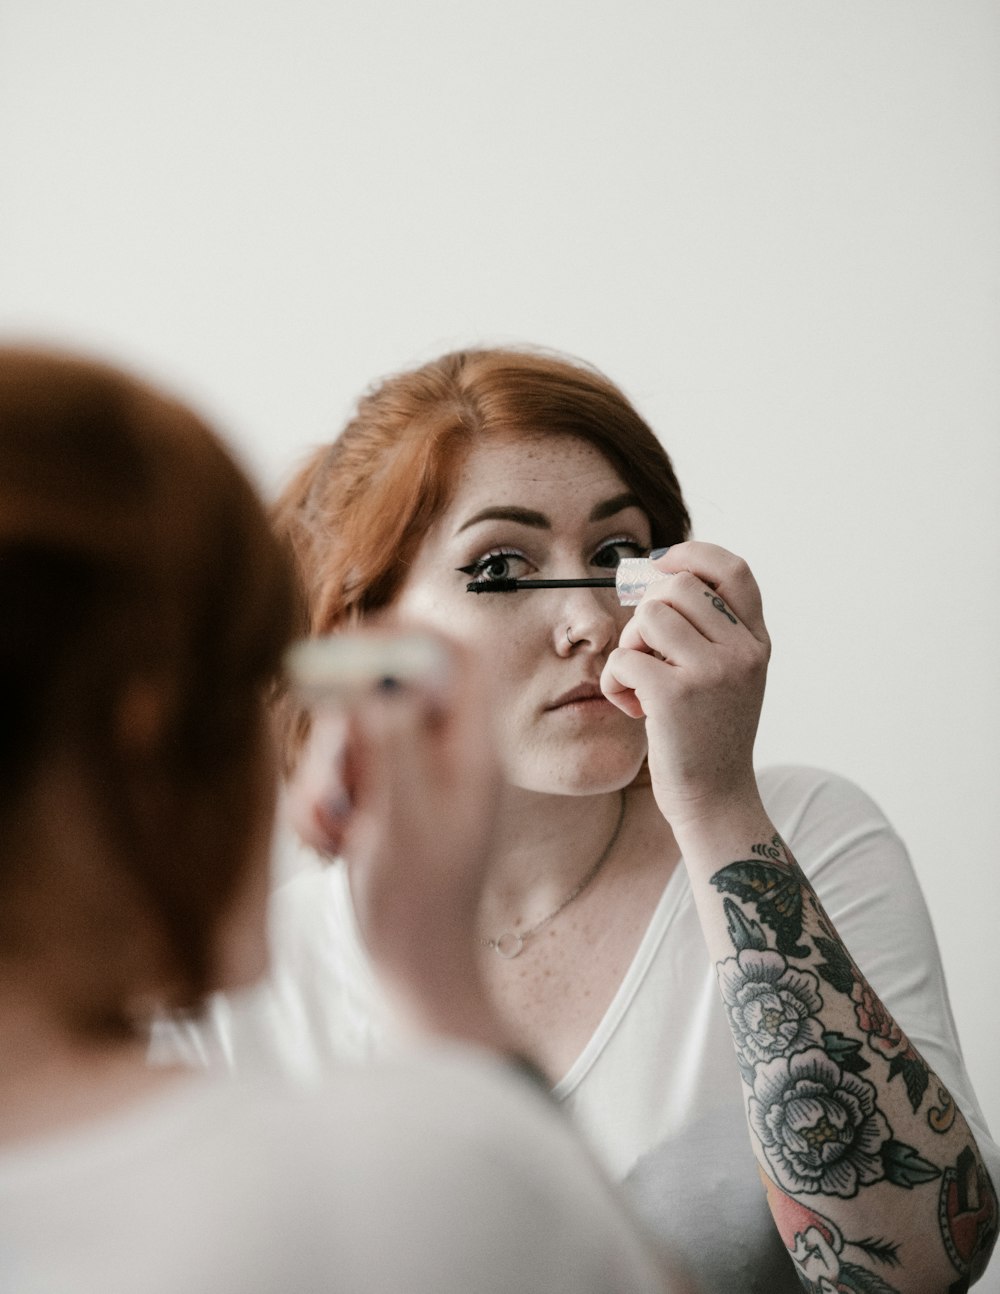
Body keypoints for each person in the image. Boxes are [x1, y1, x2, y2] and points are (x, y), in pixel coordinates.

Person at [163, 344, 1000, 1294]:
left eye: (616, 557)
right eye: (498, 566)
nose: (592, 621)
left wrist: (715, 803)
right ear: (364, 631)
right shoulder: (241, 982)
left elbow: (921, 1271)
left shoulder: (803, 832)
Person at [0, 346, 681, 1294]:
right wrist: (442, 992)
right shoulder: (396, 1181)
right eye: (264, 686)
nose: (587, 619)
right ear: (146, 746)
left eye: (617, 558)